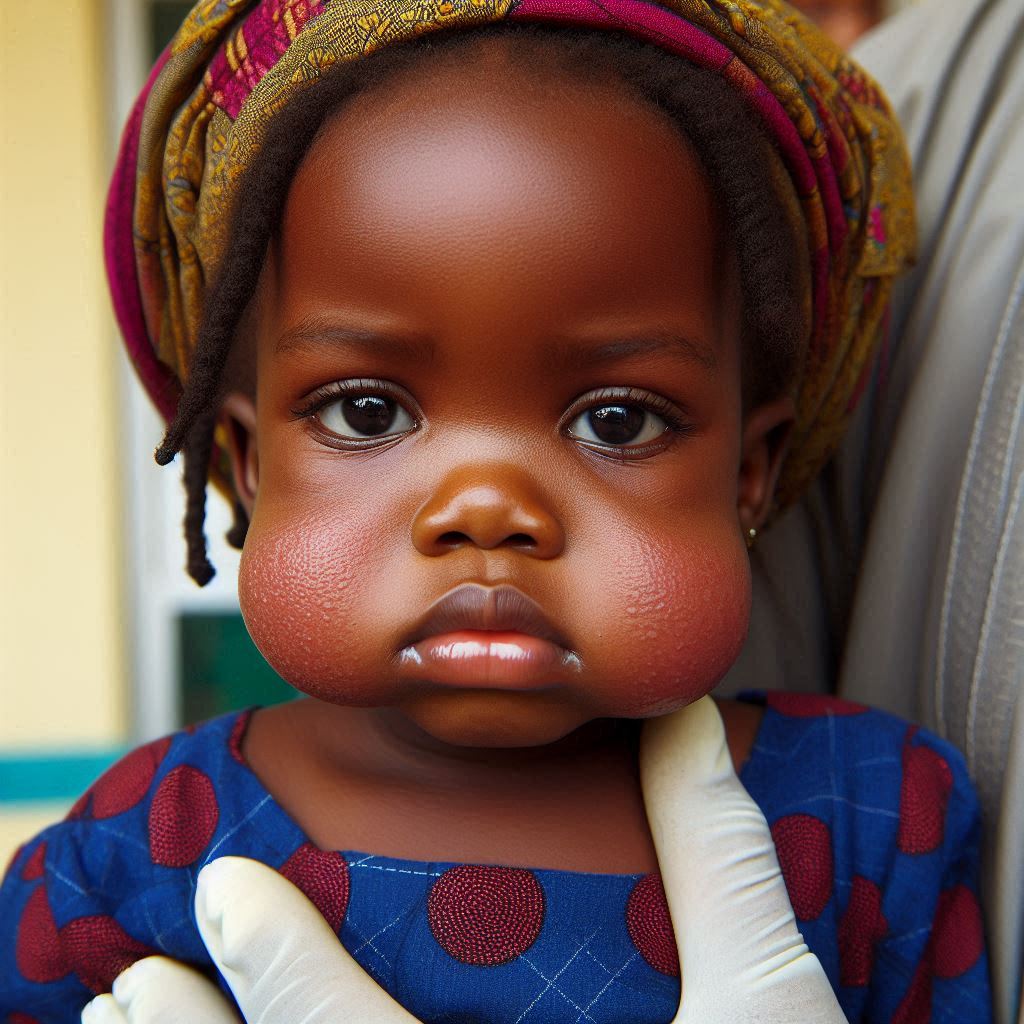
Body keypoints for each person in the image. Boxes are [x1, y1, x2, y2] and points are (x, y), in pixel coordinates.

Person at [0, 0, 990, 1021]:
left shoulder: (872, 823)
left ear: (749, 469)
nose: (487, 510)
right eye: (367, 410)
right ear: (248, 465)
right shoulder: (119, 860)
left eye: (615, 422)